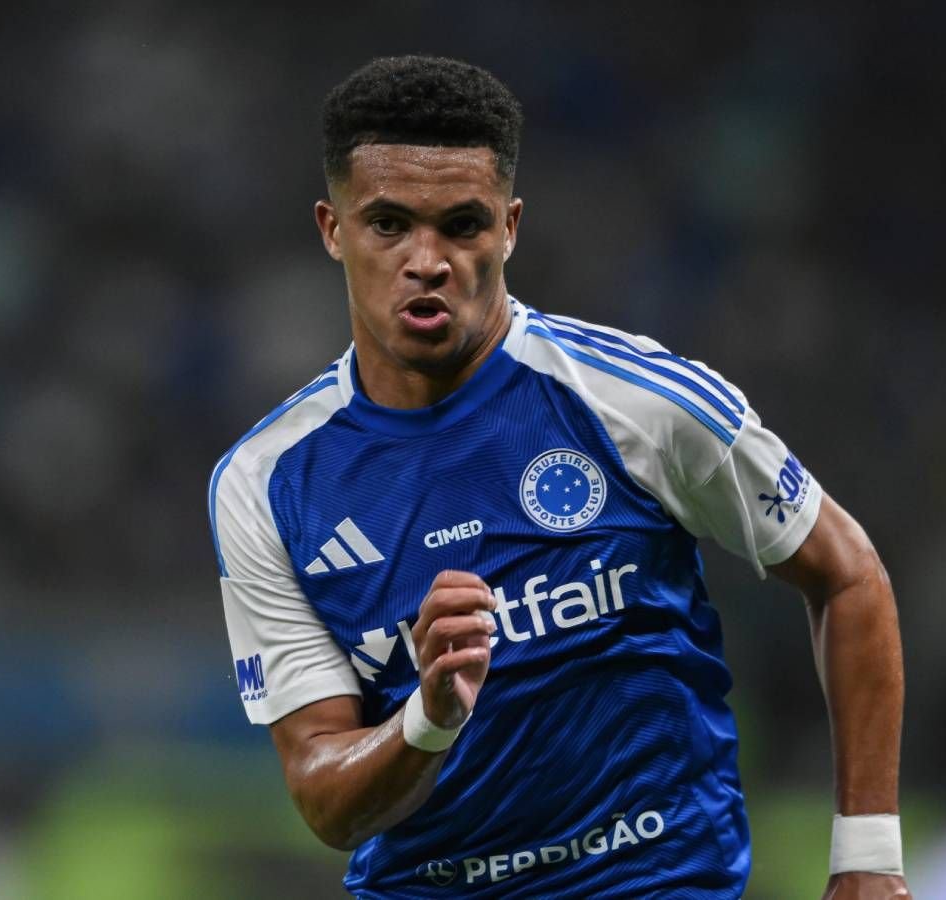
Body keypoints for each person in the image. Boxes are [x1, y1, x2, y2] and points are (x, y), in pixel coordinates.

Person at [208, 55, 908, 899]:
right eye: (389, 224)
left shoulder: (637, 402)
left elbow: (848, 573)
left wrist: (869, 857)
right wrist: (428, 717)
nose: (426, 261)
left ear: (509, 227)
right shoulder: (265, 483)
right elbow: (325, 798)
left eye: (461, 225)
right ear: (332, 229)